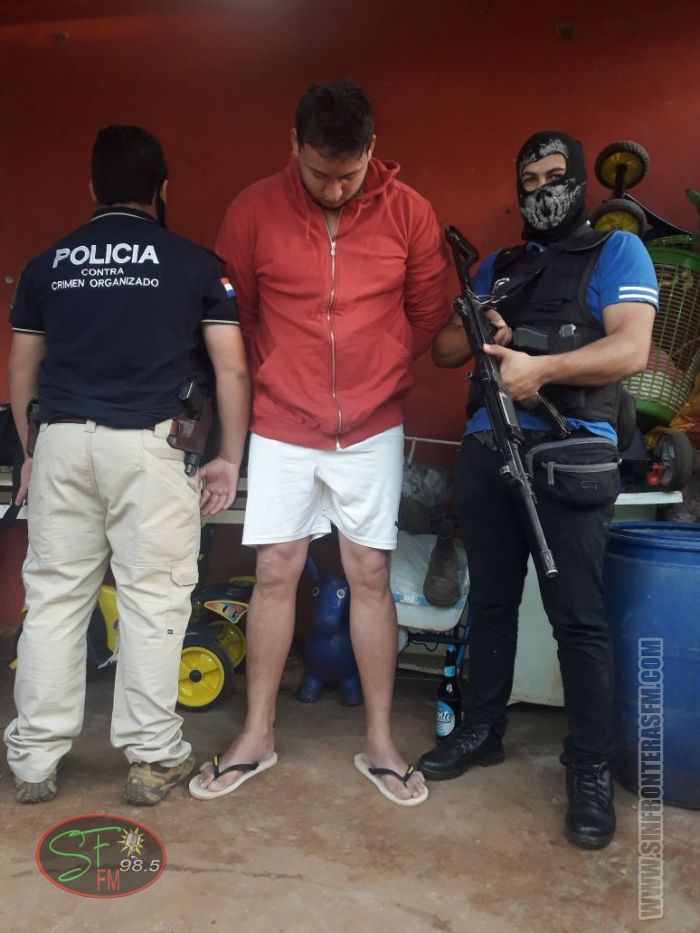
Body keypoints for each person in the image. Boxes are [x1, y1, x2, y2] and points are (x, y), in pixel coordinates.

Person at [190, 80, 450, 806]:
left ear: (372, 150)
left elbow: (428, 313)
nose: (334, 189)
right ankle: (257, 733)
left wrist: (379, 370)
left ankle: (380, 740)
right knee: (276, 568)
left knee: (370, 570)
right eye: (319, 173)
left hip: (372, 424)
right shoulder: (252, 210)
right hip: (281, 420)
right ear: (294, 148)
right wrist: (277, 378)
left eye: (349, 174)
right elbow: (233, 317)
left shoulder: (410, 213)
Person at [419, 131, 657, 847]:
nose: (543, 190)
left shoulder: (617, 251)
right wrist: (481, 317)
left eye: (556, 175)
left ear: (580, 181)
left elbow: (631, 348)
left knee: (577, 618)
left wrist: (540, 367)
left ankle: (588, 766)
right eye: (529, 180)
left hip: (570, 451)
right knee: (490, 604)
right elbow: (444, 349)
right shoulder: (501, 264)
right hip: (489, 448)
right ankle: (482, 729)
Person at [5, 125, 250, 805]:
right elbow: (231, 369)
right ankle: (151, 757)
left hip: (61, 440)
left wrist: (32, 452)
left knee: (54, 600)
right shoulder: (195, 265)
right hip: (150, 446)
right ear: (162, 188)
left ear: (93, 187)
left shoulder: (46, 265)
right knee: (153, 599)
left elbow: (22, 369)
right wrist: (229, 455)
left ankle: (34, 760)